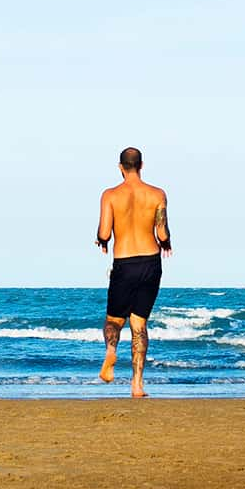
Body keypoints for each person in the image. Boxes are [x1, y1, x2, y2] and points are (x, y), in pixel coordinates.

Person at [94, 147, 171, 398]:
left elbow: (104, 233)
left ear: (120, 167)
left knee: (114, 320)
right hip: (150, 262)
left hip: (124, 262)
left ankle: (110, 353)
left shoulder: (110, 195)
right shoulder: (157, 194)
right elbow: (162, 233)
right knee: (139, 325)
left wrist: (102, 241)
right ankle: (137, 385)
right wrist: (167, 245)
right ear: (142, 165)